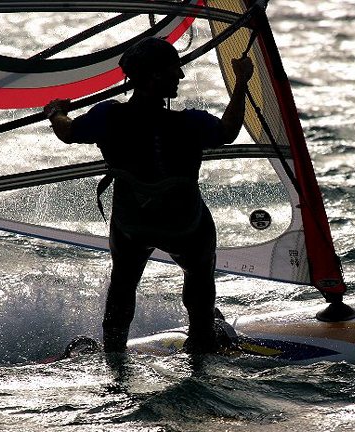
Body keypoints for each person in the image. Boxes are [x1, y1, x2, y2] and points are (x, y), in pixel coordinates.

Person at [43, 37, 254, 354]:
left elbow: (68, 132)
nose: (180, 77)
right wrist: (242, 81)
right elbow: (228, 130)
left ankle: (114, 352)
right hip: (184, 226)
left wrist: (55, 111)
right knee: (199, 274)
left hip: (133, 225)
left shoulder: (108, 117)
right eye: (174, 70)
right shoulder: (189, 123)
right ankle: (202, 338)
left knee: (123, 283)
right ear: (155, 76)